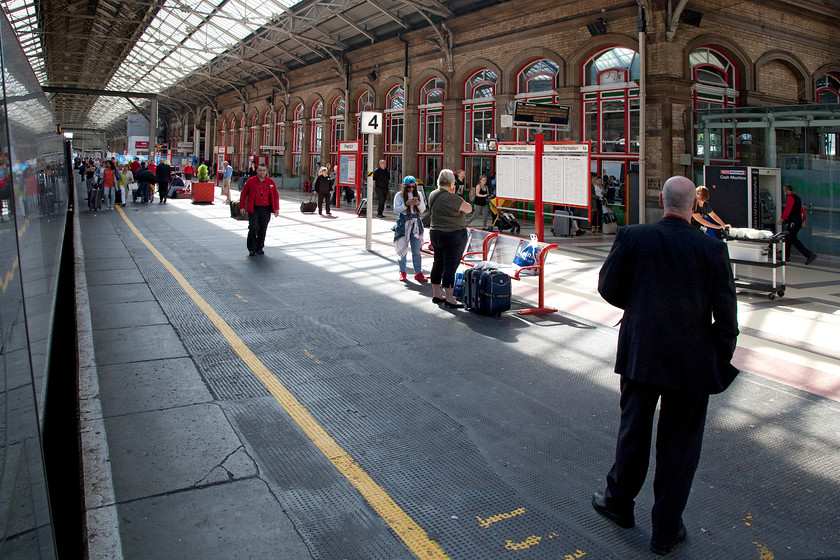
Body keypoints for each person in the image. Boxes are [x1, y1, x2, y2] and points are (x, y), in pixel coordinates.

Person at [592, 175, 739, 556]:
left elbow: (608, 286)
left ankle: (618, 503)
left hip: (642, 350)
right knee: (680, 444)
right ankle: (666, 530)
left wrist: (639, 309)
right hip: (691, 361)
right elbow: (727, 318)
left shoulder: (634, 236)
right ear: (695, 206)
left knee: (633, 429)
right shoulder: (711, 251)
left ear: (661, 200)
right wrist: (716, 356)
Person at [428, 169, 472, 308]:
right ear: (452, 182)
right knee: (450, 266)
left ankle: (436, 293)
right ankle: (449, 298)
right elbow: (468, 208)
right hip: (452, 235)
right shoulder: (452, 197)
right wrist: (456, 195)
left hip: (435, 233)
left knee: (438, 262)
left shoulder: (432, 194)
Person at [239, 163, 279, 256]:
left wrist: (276, 208)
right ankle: (251, 248)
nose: (262, 172)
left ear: (266, 171)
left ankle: (260, 247)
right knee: (253, 228)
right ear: (257, 171)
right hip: (254, 208)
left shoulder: (270, 182)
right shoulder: (251, 181)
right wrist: (242, 207)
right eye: (260, 170)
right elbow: (244, 194)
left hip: (265, 209)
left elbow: (275, 195)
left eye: (264, 170)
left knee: (263, 228)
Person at [393, 175, 427, 283]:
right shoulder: (399, 195)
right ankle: (402, 271)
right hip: (403, 222)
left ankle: (418, 272)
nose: (411, 189)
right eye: (409, 187)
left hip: (416, 223)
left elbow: (422, 210)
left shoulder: (419, 194)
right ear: (405, 186)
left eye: (413, 187)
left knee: (416, 249)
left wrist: (418, 204)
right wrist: (406, 204)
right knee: (402, 248)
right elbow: (396, 209)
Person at [778, 184, 817, 265]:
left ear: (786, 190)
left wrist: (782, 219)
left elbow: (787, 209)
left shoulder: (790, 198)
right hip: (797, 221)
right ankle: (786, 256)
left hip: (793, 221)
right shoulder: (797, 197)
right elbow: (801, 210)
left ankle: (809, 255)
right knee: (788, 237)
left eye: (784, 190)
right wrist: (803, 221)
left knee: (793, 239)